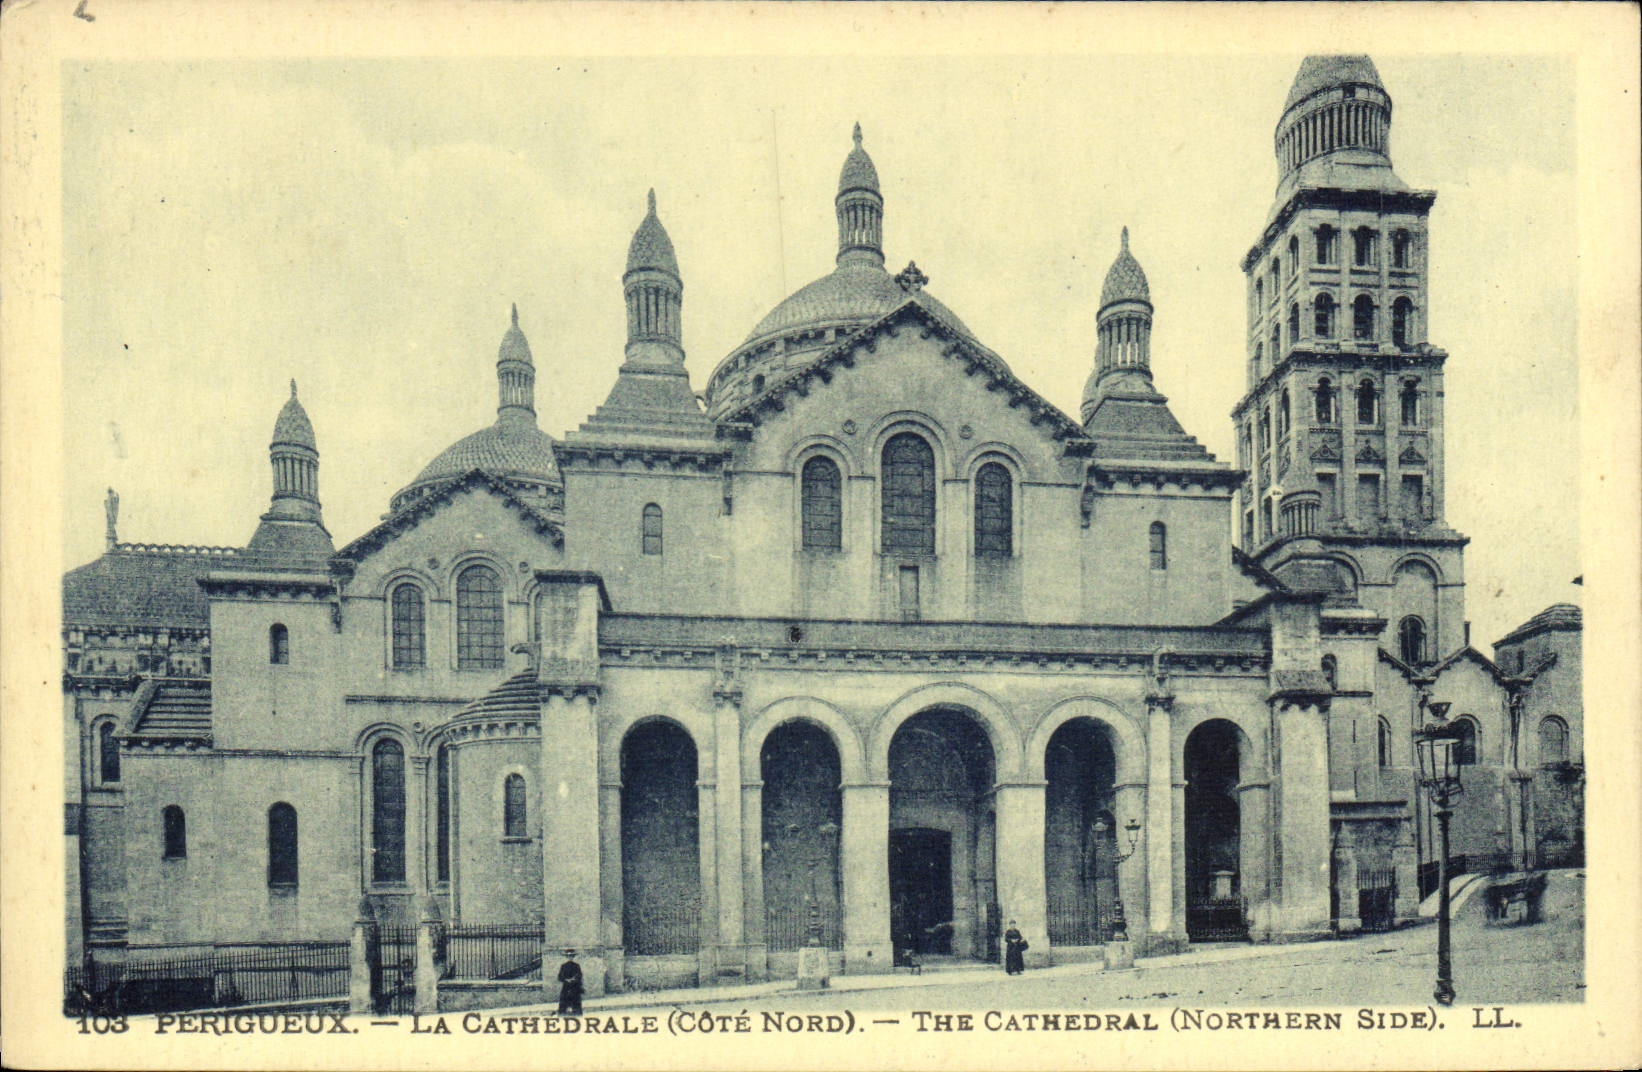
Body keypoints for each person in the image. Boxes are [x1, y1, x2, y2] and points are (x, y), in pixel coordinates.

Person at [556, 949, 584, 1015]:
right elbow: (560, 977)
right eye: (568, 956)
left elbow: (580, 975)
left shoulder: (577, 966)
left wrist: (574, 980)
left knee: (576, 1003)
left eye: (571, 956)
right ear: (566, 957)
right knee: (563, 1003)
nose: (570, 957)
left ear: (573, 957)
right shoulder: (563, 966)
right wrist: (566, 979)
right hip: (566, 987)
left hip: (575, 987)